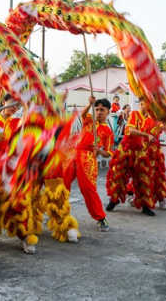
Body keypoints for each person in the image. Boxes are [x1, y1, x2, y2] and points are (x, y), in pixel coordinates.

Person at [0, 94, 42, 254]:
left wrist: (26, 106)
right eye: (11, 103)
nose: (14, 107)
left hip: (12, 166)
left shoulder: (18, 123)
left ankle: (23, 235)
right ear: (3, 102)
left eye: (17, 106)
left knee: (17, 202)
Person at [62, 96, 114, 231]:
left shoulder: (108, 132)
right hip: (73, 154)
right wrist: (89, 104)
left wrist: (100, 151)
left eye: (102, 110)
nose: (99, 112)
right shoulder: (90, 120)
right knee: (62, 183)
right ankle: (60, 213)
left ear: (108, 111)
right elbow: (83, 114)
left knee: (88, 189)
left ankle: (100, 218)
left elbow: (109, 152)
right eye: (96, 109)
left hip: (88, 158)